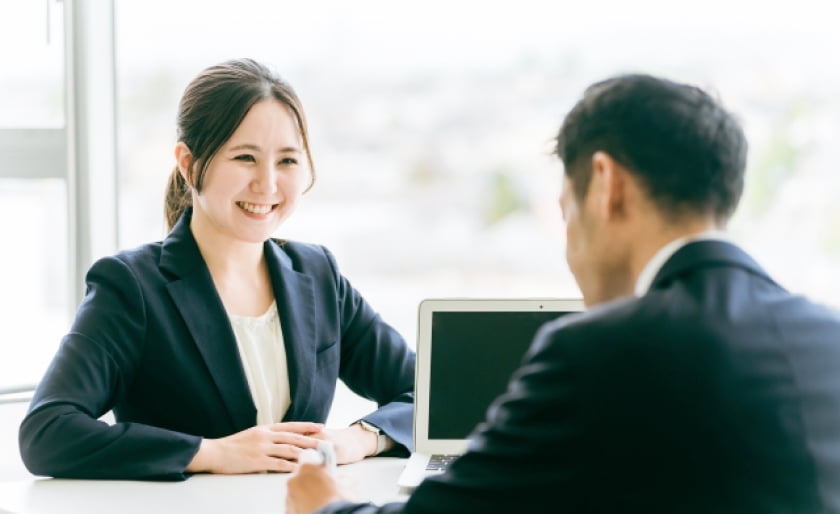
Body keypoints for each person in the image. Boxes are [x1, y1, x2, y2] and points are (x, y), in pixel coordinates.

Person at [286, 74, 840, 513]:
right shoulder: (827, 338)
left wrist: (323, 505)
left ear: (606, 185)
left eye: (564, 211)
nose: (570, 248)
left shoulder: (598, 352)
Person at [18, 58, 415, 481]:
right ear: (189, 164)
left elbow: (435, 395)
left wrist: (363, 437)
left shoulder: (318, 275)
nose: (267, 184)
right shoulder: (132, 286)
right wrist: (210, 453)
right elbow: (47, 432)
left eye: (287, 161)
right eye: (245, 157)